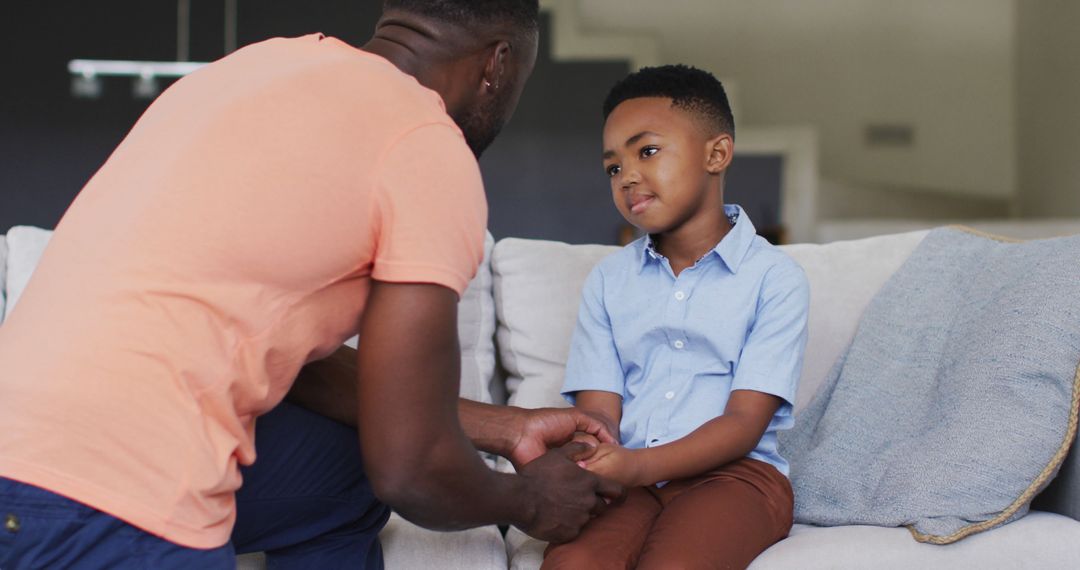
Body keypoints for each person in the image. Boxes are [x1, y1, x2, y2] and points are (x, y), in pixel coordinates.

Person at [0, 1, 624, 568]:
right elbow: (410, 471)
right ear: (499, 65)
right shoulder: (427, 145)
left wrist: (507, 428)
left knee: (338, 475)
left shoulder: (248, 68)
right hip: (112, 497)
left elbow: (285, 365)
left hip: (16, 450)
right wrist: (530, 502)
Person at [542, 65, 811, 569]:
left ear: (717, 154)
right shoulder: (609, 280)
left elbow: (743, 424)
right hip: (627, 479)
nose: (628, 178)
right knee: (571, 564)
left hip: (737, 478)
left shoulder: (775, 279)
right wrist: (594, 458)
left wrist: (637, 465)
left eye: (647, 151)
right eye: (613, 168)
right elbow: (600, 414)